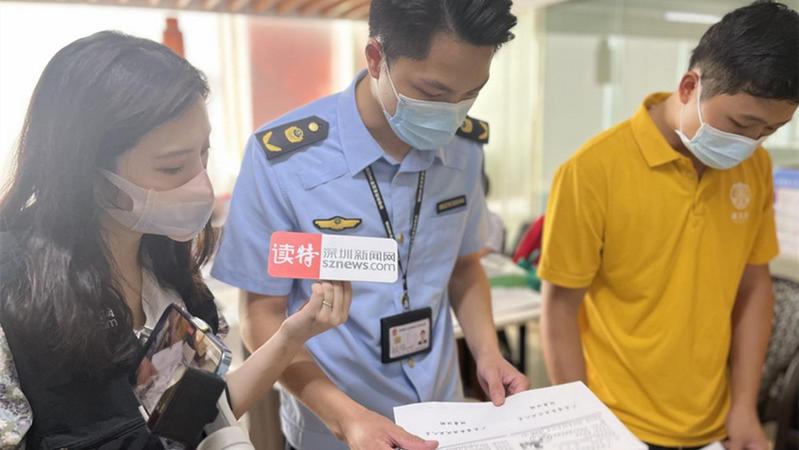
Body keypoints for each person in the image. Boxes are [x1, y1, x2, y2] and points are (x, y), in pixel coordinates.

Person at [0, 31, 352, 449]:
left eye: (203, 155)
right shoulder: (17, 285)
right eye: (172, 168)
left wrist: (290, 337)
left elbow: (194, 414)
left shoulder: (165, 265)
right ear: (86, 171)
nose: (199, 185)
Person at [211, 1, 528, 449]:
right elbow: (262, 314)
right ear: (376, 58)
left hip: (443, 416)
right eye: (434, 93)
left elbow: (463, 267)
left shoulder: (465, 150)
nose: (453, 112)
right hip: (335, 429)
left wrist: (488, 354)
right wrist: (346, 418)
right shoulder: (284, 160)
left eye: (471, 93)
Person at [538, 2, 798, 450]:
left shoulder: (753, 169)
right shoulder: (592, 171)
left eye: (770, 131)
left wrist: (743, 408)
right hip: (615, 425)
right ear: (688, 86)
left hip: (714, 426)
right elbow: (560, 309)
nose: (752, 142)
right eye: (741, 123)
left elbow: (754, 286)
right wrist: (581, 425)